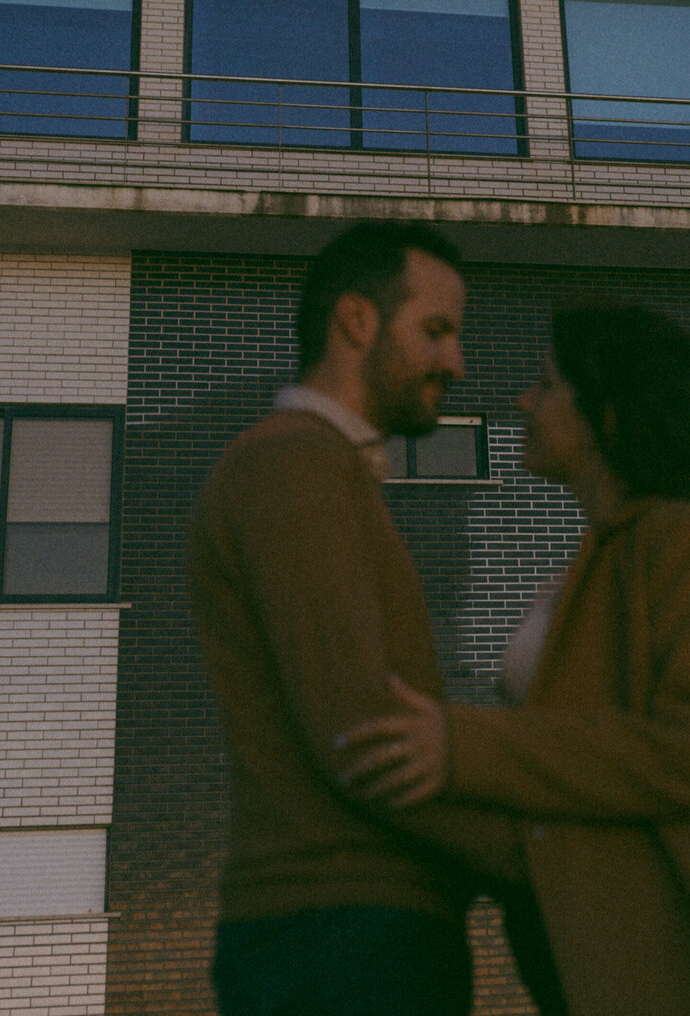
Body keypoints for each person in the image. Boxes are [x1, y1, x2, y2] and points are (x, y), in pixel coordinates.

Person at [337, 304, 690, 1016]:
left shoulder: (683, 541)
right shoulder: (605, 555)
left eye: (547, 385)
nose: (525, 401)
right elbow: (579, 784)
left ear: (606, 417)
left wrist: (462, 746)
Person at [188, 220, 523, 1016]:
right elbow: (361, 730)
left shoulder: (318, 467)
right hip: (341, 938)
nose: (457, 362)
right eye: (436, 330)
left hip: (347, 931)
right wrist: (534, 856)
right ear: (358, 322)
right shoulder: (293, 462)